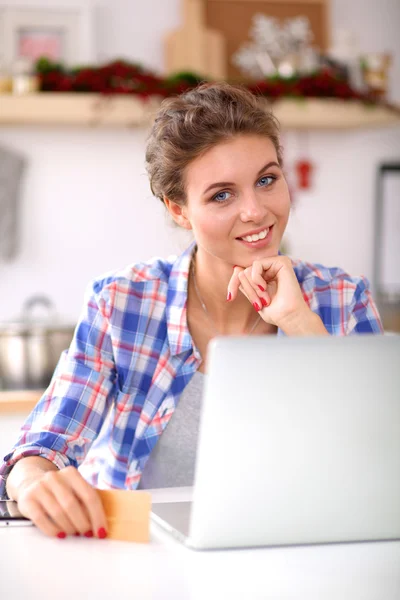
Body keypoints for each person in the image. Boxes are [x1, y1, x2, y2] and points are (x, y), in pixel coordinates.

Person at [0, 82, 383, 540]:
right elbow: (45, 444)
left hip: (292, 552)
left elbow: (378, 456)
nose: (256, 211)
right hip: (137, 557)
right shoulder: (122, 303)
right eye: (222, 195)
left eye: (267, 179)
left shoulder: (341, 300)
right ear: (179, 210)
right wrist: (31, 480)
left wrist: (301, 324)